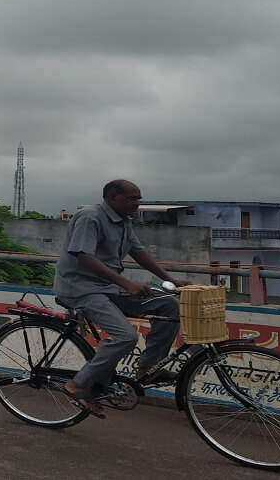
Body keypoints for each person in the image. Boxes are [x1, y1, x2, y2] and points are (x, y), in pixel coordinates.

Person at [52, 179, 191, 417]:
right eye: (132, 198)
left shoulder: (124, 221)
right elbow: (85, 256)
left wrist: (171, 280)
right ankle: (78, 384)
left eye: (138, 198)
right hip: (80, 288)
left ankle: (148, 366)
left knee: (169, 304)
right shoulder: (90, 217)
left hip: (109, 287)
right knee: (125, 336)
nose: (137, 203)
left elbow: (138, 252)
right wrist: (127, 283)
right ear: (112, 197)